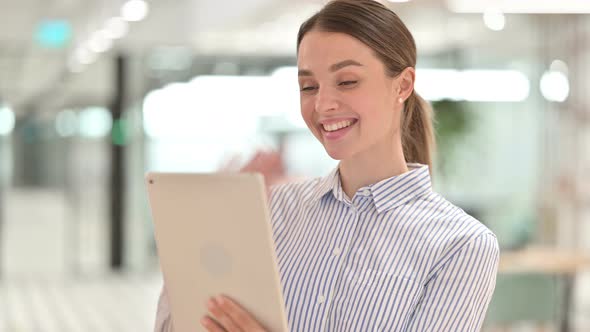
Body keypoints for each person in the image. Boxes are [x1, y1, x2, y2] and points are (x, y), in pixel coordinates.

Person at [154, 0, 499, 331]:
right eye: (308, 86)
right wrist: (207, 226)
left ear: (403, 85)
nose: (323, 104)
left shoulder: (462, 245)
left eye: (347, 81)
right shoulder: (275, 209)